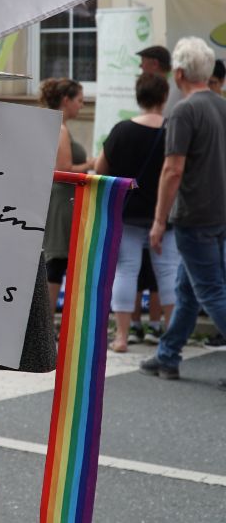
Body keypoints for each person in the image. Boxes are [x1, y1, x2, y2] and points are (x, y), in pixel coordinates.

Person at [141, 37, 226, 380]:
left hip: (193, 215)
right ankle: (168, 355)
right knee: (187, 289)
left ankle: (168, 354)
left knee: (210, 291)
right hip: (219, 213)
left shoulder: (184, 111)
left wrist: (159, 221)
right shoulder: (222, 106)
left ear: (177, 73)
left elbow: (172, 170)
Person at [94, 74, 178, 352]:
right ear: (164, 97)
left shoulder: (121, 131)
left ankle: (120, 336)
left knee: (126, 272)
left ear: (138, 97)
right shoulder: (173, 131)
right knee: (168, 273)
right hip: (164, 215)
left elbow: (101, 169)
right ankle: (170, 335)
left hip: (127, 213)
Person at [39, 77, 94, 316]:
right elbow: (63, 169)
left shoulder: (55, 125)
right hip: (62, 199)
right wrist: (91, 163)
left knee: (57, 260)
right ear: (66, 100)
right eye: (79, 100)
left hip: (60, 198)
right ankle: (48, 321)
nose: (81, 105)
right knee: (58, 259)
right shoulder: (60, 128)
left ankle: (48, 321)